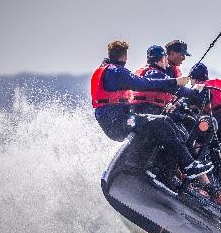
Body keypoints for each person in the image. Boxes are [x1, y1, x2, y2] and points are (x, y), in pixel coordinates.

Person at [91, 40, 212, 179]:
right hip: (120, 122)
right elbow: (142, 84)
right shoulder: (116, 71)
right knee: (160, 122)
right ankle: (188, 166)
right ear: (124, 57)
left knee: (163, 123)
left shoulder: (104, 68)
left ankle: (168, 168)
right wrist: (176, 82)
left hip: (116, 120)